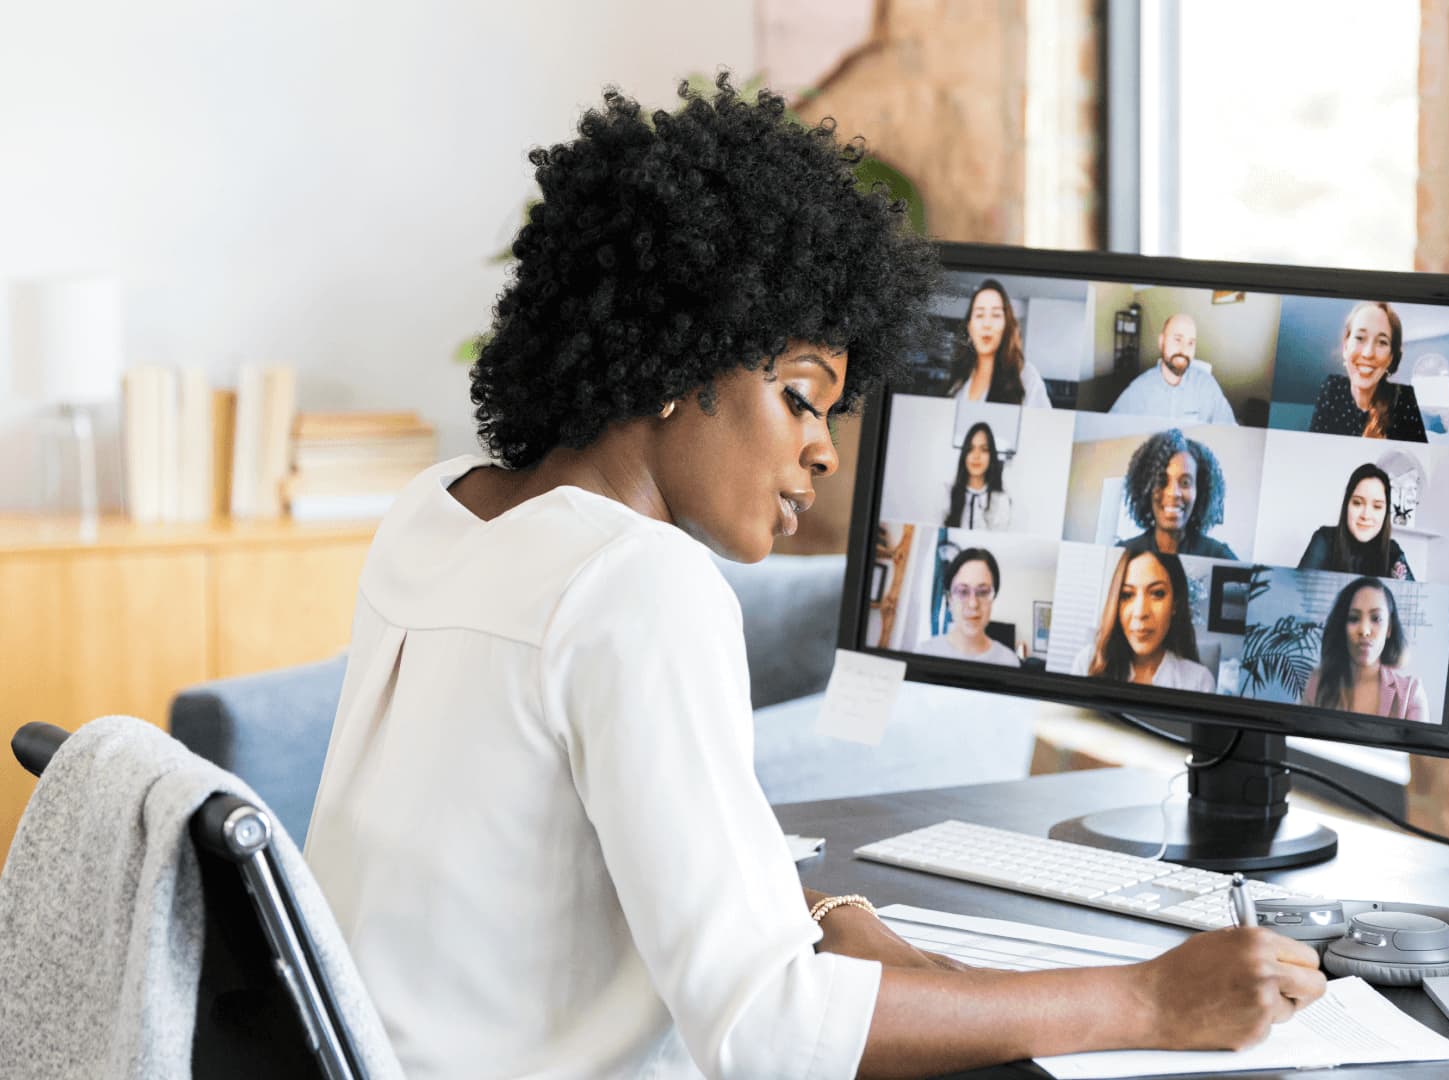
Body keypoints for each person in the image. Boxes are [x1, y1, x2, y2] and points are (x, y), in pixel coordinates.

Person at [302, 78, 1322, 1079]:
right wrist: (1147, 997)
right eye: (800, 398)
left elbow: (547, 854)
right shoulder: (635, 581)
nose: (826, 452)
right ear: (674, 361)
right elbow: (771, 1038)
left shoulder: (439, 509)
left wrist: (822, 916)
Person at [1070, 549, 1216, 691]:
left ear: (1175, 604)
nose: (1140, 613)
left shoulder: (1200, 682)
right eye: (1127, 595)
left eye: (1157, 593)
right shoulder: (1087, 663)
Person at [1303, 577, 1429, 722]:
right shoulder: (1317, 683)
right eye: (1353, 618)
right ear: (1342, 626)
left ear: (1389, 629)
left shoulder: (1411, 694)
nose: (1364, 630)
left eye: (1376, 619)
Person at [1307, 301, 1428, 442]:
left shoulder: (1404, 399)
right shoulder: (1332, 388)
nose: (1368, 353)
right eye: (1360, 338)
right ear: (1345, 347)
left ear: (1391, 358)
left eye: (1382, 342)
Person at [1115, 428, 1238, 559]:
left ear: (1200, 491)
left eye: (1185, 483)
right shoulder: (1123, 553)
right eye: (1162, 481)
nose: (1173, 493)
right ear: (1146, 488)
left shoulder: (1219, 556)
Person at [1107, 312, 1236, 424]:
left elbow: (1230, 431)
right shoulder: (1140, 389)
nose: (1184, 350)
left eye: (1190, 343)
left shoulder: (1207, 386)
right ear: (1161, 342)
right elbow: (1110, 428)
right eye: (1177, 339)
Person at [1297, 463, 1415, 580]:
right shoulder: (1325, 540)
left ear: (1386, 513)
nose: (1366, 515)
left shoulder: (1392, 551)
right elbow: (1296, 591)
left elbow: (1412, 596)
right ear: (1346, 505)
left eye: (1377, 506)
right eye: (1357, 503)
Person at [950, 278, 1053, 408]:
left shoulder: (1026, 376)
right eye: (980, 315)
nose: (987, 325)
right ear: (970, 327)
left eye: (996, 315)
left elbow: (1043, 425)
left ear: (1006, 326)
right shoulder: (961, 376)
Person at [916, 547, 1021, 665]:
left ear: (993, 598)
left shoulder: (1009, 661)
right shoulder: (924, 653)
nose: (973, 604)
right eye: (963, 592)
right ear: (950, 599)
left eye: (982, 592)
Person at [944, 421, 1012, 530]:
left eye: (983, 449)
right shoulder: (947, 493)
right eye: (970, 449)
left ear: (991, 456)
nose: (976, 456)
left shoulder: (1001, 500)